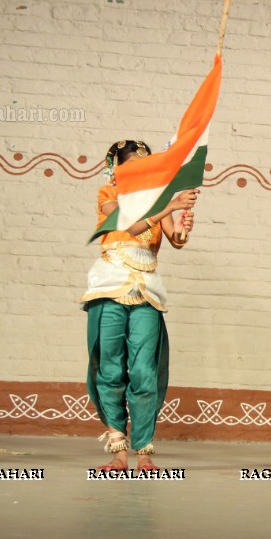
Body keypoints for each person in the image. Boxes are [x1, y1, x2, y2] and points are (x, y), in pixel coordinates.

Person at [80, 140, 198, 473]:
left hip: (146, 288)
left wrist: (182, 224)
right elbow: (128, 225)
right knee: (110, 370)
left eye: (144, 166)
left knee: (145, 371)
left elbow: (174, 238)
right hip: (109, 284)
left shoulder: (161, 200)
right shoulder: (109, 194)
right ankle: (119, 450)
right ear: (118, 169)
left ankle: (144, 450)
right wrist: (168, 206)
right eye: (130, 166)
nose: (138, 172)